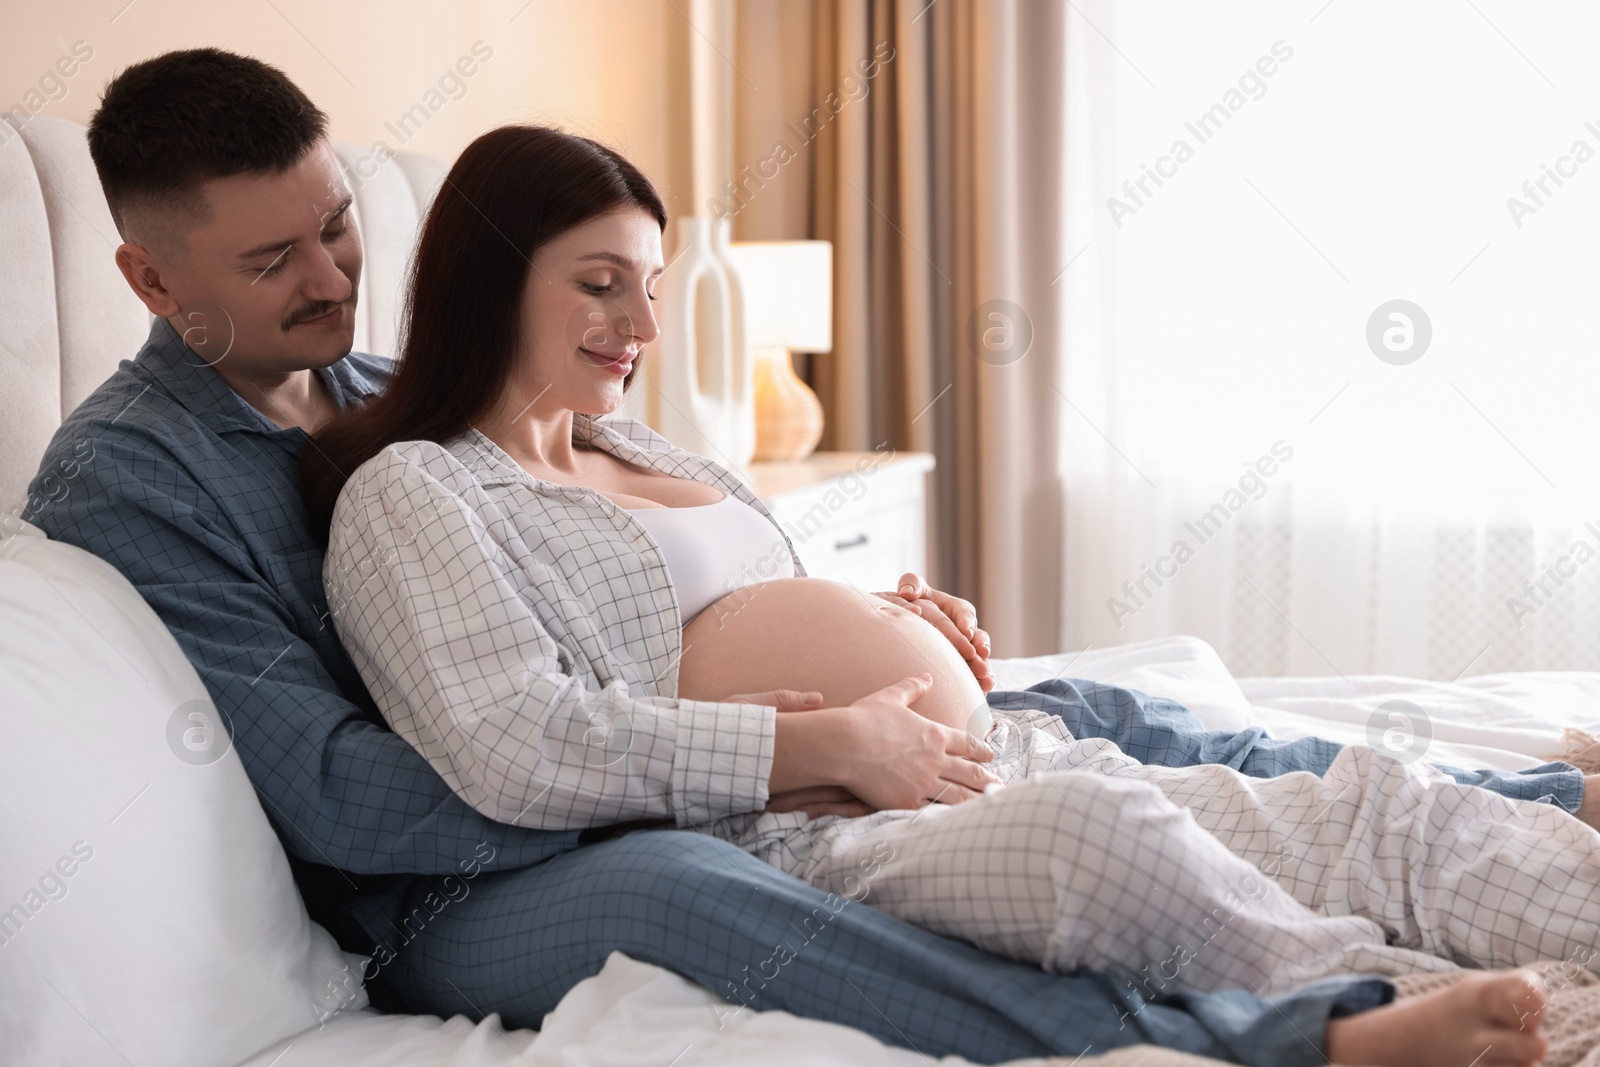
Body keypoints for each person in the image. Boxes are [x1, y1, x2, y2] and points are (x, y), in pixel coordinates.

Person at [15, 49, 1565, 1067]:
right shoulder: (129, 484)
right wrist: (755, 755)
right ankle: (1276, 1038)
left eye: (342, 229)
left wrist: (846, 654)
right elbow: (355, 790)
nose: (334, 280)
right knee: (702, 890)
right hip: (450, 882)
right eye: (273, 261)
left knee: (1063, 702)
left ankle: (1516, 812)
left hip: (632, 770)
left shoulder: (380, 383)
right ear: (148, 275)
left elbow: (625, 578)